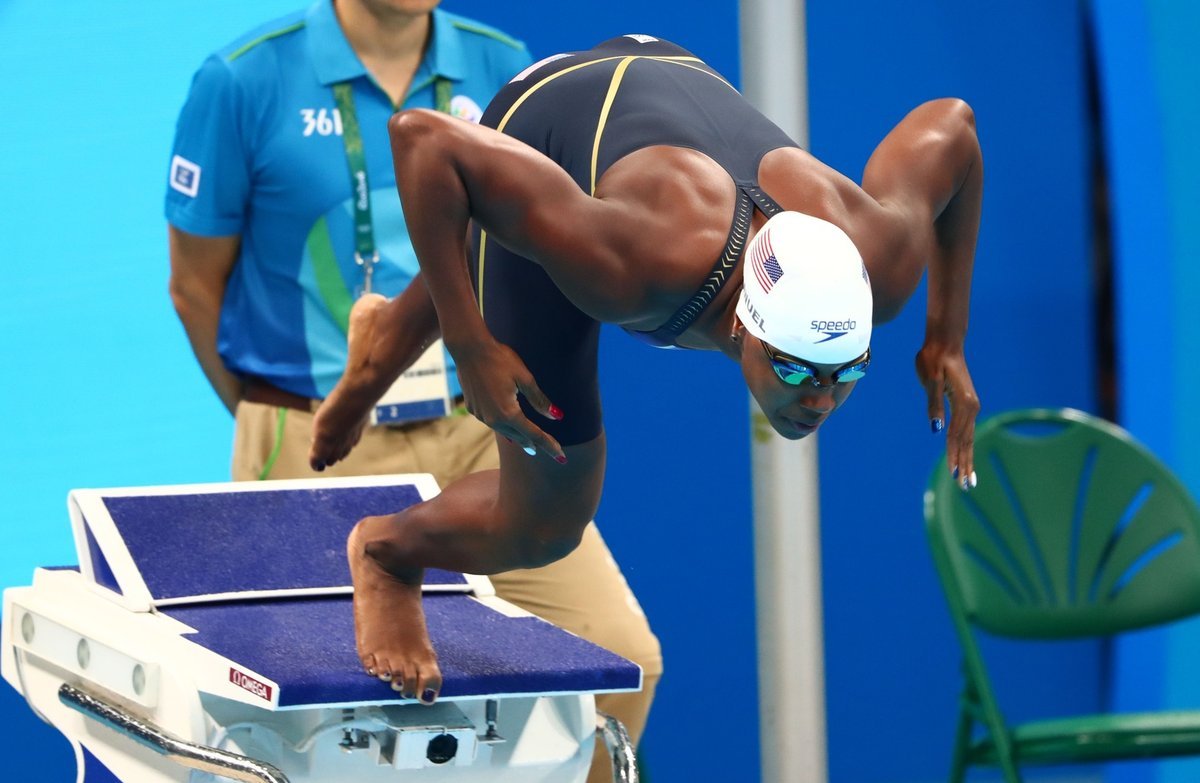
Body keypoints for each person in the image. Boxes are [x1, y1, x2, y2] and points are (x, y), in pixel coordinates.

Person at [308, 33, 984, 707]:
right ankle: (386, 553)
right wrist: (468, 342)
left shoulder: (878, 264)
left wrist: (946, 336)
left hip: (667, 76)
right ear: (745, 326)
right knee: (545, 519)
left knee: (544, 224)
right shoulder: (639, 266)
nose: (822, 400)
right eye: (800, 373)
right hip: (547, 121)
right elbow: (423, 139)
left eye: (847, 373)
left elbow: (955, 124)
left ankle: (383, 341)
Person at [164, 3, 662, 777]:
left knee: (624, 657)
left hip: (472, 435)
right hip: (312, 438)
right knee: (301, 720)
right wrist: (273, 418)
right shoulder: (243, 80)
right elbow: (195, 287)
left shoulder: (504, 66)